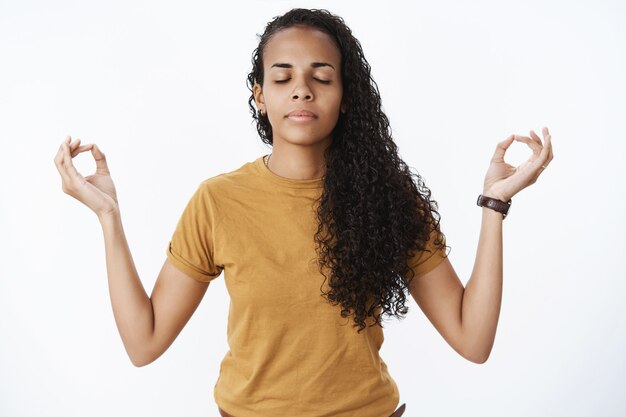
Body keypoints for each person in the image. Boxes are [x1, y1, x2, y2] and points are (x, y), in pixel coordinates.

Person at [53, 7, 553, 417]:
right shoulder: (217, 201)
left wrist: (494, 204)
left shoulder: (388, 195)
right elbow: (145, 343)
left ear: (345, 96)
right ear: (260, 94)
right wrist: (109, 218)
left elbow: (473, 340)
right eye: (283, 76)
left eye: (322, 76)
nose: (302, 89)